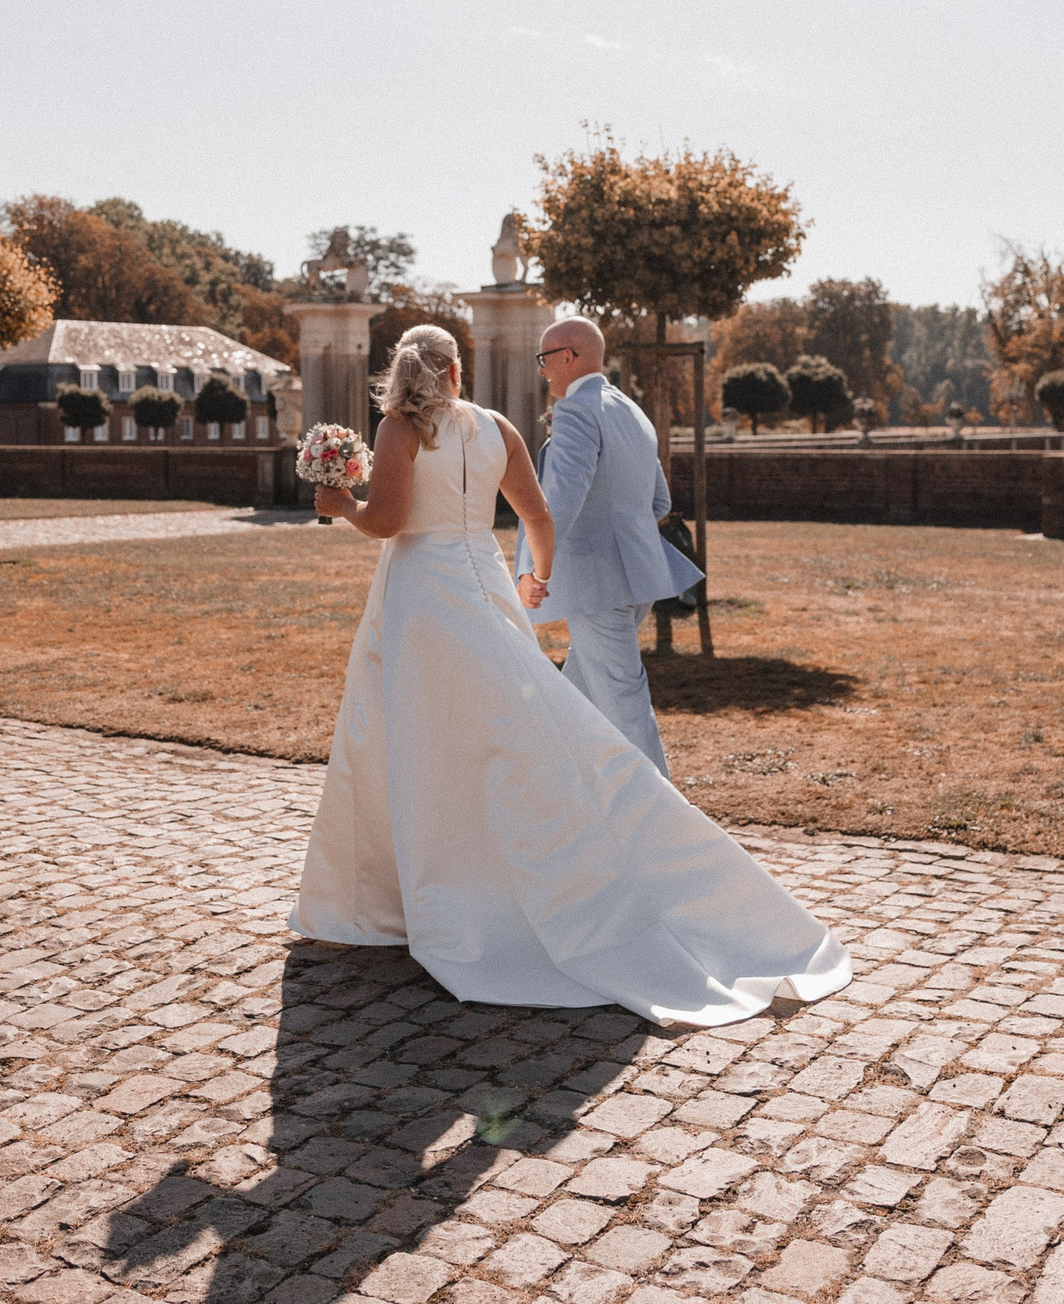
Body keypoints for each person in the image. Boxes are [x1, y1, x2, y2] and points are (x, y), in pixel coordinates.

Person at [290, 325, 850, 1026]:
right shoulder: (498, 428)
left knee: (417, 735)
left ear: (406, 374)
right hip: (487, 588)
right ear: (457, 371)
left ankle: (410, 893)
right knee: (513, 725)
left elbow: (390, 519)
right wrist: (537, 578)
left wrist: (341, 504)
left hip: (423, 600)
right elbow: (539, 513)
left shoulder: (401, 430)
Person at [516, 316, 703, 775]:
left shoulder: (578, 411)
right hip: (638, 577)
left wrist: (535, 569)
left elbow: (558, 498)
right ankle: (567, 807)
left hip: (597, 584)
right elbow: (660, 500)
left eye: (545, 360)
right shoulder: (629, 409)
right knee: (574, 703)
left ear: (569, 357)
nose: (541, 371)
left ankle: (665, 829)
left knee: (624, 705)